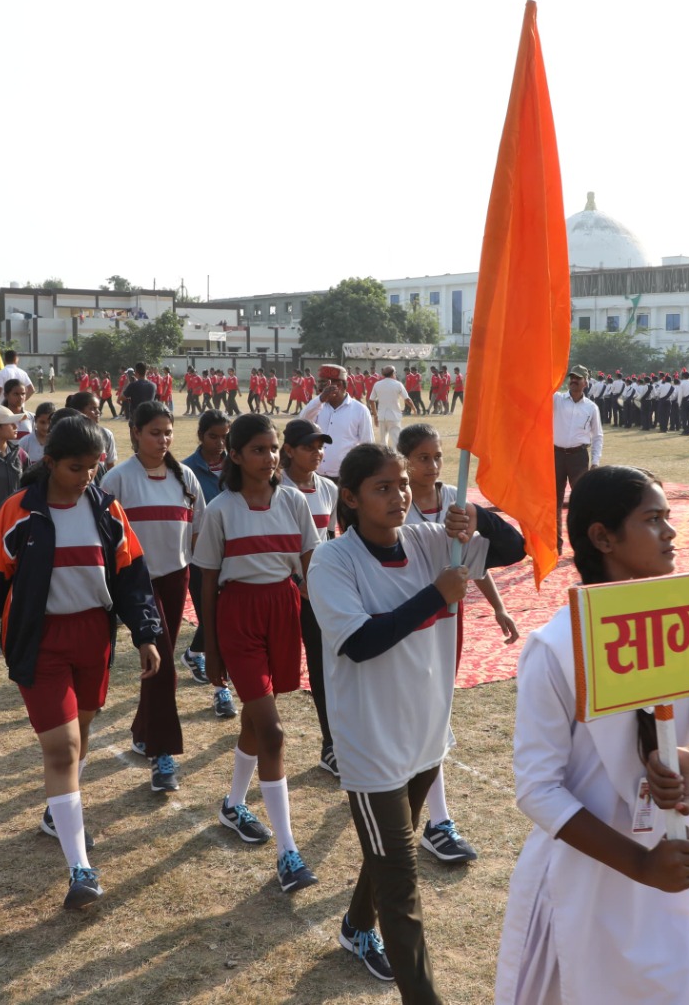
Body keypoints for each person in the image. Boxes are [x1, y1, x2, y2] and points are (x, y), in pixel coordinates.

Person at [494, 465, 689, 1004]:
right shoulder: (554, 647)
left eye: (668, 517)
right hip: (585, 884)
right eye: (652, 519)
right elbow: (537, 790)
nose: (670, 532)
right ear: (602, 537)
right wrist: (637, 865)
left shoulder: (685, 622)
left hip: (674, 866)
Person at [308, 444, 490, 997]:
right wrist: (435, 596)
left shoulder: (431, 540)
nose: (399, 496)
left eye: (402, 485)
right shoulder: (332, 561)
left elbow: (510, 548)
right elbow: (362, 642)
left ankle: (355, 926)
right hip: (373, 743)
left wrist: (479, 520)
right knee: (402, 880)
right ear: (351, 496)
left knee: (393, 849)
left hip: (426, 734)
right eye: (383, 487)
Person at [0, 416, 164, 910]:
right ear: (49, 462)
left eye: (93, 468)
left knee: (81, 735)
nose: (86, 478)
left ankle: (58, 814)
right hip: (41, 640)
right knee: (62, 747)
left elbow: (132, 576)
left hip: (93, 637)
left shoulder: (106, 509)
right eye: (76, 468)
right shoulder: (18, 513)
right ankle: (80, 870)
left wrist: (146, 633)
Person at [192, 414, 321, 893]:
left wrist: (330, 618)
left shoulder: (294, 502)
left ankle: (232, 804)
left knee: (255, 717)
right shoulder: (221, 508)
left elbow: (312, 568)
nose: (269, 458)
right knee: (273, 730)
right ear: (237, 456)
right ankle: (288, 852)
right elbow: (207, 580)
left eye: (273, 449)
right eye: (258, 450)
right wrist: (211, 646)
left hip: (283, 611)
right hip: (238, 615)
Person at [398, 423, 526, 866]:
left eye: (436, 457)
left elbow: (477, 559)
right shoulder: (398, 503)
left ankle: (434, 817)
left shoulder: (456, 499)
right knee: (422, 713)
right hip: (410, 620)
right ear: (405, 461)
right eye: (422, 458)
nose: (432, 466)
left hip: (448, 621)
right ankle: (434, 819)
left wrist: (498, 606)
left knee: (435, 710)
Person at [104, 402, 203, 794]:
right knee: (163, 667)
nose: (162, 439)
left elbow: (198, 530)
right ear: (134, 432)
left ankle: (142, 731)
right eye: (154, 432)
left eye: (167, 432)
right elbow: (106, 539)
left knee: (157, 663)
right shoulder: (117, 480)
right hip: (137, 584)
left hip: (176, 579)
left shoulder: (186, 478)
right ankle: (163, 755)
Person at [278, 419, 340, 777]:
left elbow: (329, 537)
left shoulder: (328, 488)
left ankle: (331, 744)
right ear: (289, 450)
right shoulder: (275, 487)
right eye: (308, 447)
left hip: (320, 592)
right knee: (275, 664)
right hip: (284, 589)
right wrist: (294, 578)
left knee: (324, 666)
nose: (317, 453)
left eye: (321, 447)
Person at [180, 409, 237, 720]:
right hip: (201, 561)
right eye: (213, 436)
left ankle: (192, 654)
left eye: (225, 437)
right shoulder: (186, 470)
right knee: (214, 623)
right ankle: (221, 691)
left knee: (222, 622)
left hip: (235, 557)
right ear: (200, 436)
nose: (219, 443)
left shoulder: (237, 466)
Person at [552, 368, 604, 554]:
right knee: (553, 503)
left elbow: (597, 436)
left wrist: (595, 462)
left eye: (578, 378)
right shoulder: (556, 399)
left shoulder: (591, 407)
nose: (573, 381)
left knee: (582, 502)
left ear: (586, 382)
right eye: (571, 378)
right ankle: (555, 546)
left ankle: (583, 545)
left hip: (578, 458)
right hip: (555, 455)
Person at [300, 364, 375, 479]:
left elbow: (368, 445)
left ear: (338, 385)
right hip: (316, 475)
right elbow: (301, 422)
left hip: (345, 477)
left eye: (323, 384)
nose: (319, 388)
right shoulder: (318, 405)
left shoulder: (360, 410)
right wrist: (320, 399)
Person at [369, 367, 411, 447]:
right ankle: (396, 458)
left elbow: (371, 400)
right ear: (393, 373)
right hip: (394, 416)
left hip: (381, 416)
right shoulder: (398, 384)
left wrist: (375, 415)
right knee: (396, 440)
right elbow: (407, 399)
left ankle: (384, 458)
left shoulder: (377, 384)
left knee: (383, 441)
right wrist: (414, 408)